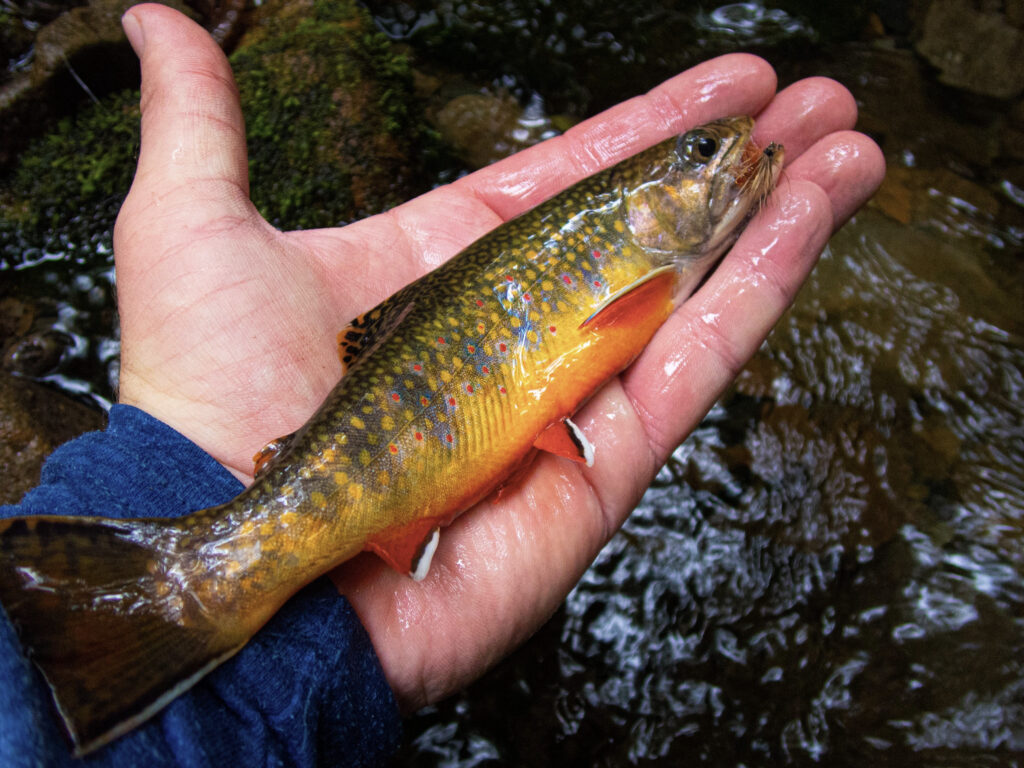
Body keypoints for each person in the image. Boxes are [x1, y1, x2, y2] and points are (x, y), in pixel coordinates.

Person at [0, 3, 885, 766]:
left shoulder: (653, 252)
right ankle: (208, 585)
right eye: (700, 155)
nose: (725, 158)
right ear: (636, 209)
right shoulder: (646, 273)